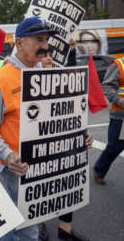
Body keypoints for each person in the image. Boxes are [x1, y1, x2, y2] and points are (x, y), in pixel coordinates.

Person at [0, 17, 92, 241]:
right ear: (19, 43)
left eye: (47, 40)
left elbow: (60, 114)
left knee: (26, 224)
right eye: (39, 40)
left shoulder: (45, 74)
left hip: (46, 164)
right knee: (27, 231)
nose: (46, 45)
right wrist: (7, 155)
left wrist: (79, 134)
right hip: (19, 169)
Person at [38, 42, 90, 241]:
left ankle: (65, 230)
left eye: (50, 55)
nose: (49, 58)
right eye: (44, 55)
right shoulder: (26, 83)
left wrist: (84, 133)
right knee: (41, 188)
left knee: (67, 185)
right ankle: (40, 225)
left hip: (64, 145)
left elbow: (74, 108)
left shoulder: (61, 82)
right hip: (39, 147)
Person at [93, 56, 124, 185]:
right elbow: (106, 86)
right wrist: (119, 100)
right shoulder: (119, 64)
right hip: (121, 115)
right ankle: (99, 170)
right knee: (115, 146)